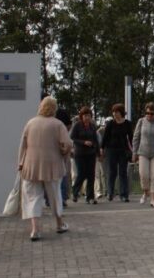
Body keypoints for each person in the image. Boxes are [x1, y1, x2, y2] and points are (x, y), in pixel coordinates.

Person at [18, 96, 72, 241]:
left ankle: (35, 230)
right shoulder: (58, 124)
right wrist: (63, 152)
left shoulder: (30, 123)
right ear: (54, 108)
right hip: (53, 166)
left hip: (31, 166)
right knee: (55, 196)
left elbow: (23, 145)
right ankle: (59, 224)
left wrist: (20, 163)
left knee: (33, 197)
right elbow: (67, 144)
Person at [101, 103, 133, 202]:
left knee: (123, 172)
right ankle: (110, 193)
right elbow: (105, 137)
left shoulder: (127, 123)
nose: (115, 114)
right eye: (114, 112)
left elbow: (131, 138)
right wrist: (102, 148)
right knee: (112, 172)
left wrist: (133, 149)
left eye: (117, 112)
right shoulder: (110, 123)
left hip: (123, 150)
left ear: (121, 113)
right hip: (111, 150)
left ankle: (124, 194)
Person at [70, 106, 99, 204]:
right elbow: (73, 138)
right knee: (81, 173)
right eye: (85, 115)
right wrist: (83, 142)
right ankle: (75, 191)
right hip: (80, 153)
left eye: (89, 116)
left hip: (91, 153)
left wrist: (98, 152)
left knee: (91, 175)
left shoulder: (92, 126)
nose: (87, 117)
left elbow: (96, 140)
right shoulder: (77, 125)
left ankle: (90, 197)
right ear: (81, 116)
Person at [55, 106, 72, 207]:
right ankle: (63, 198)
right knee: (63, 172)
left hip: (51, 149)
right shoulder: (62, 112)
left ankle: (52, 199)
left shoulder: (46, 119)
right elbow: (69, 125)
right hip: (62, 148)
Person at [96, 124, 107, 199]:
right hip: (99, 154)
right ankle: (98, 191)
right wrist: (100, 153)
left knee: (104, 173)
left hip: (106, 155)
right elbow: (99, 143)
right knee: (98, 174)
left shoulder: (108, 131)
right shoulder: (99, 131)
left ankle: (106, 190)